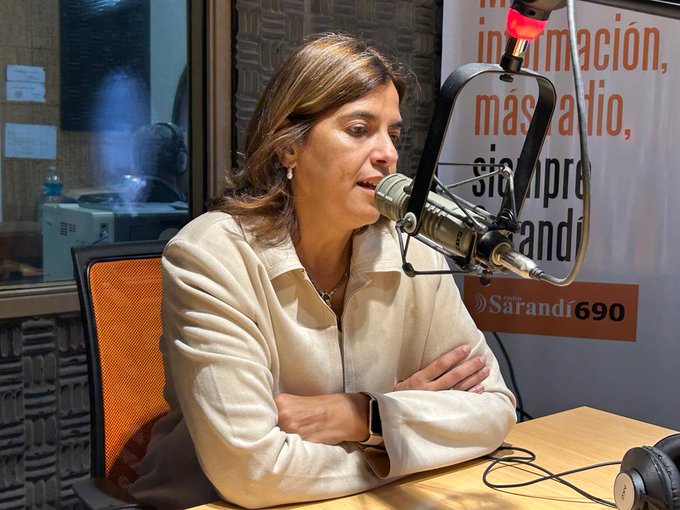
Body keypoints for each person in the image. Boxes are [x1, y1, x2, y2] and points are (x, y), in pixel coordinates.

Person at [129, 32, 516, 509]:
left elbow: (494, 409)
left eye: (393, 134)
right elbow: (253, 472)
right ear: (288, 147)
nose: (388, 154)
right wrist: (398, 436)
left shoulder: (412, 251)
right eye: (359, 129)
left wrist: (363, 416)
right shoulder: (211, 257)